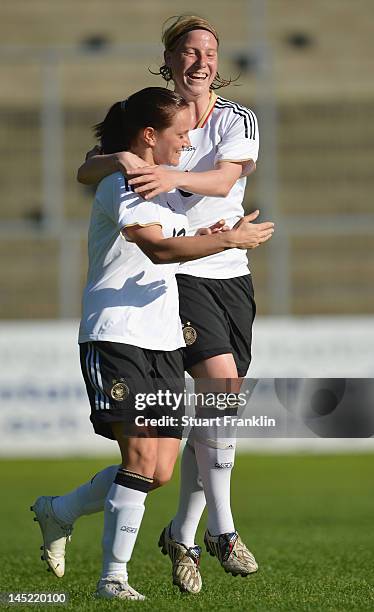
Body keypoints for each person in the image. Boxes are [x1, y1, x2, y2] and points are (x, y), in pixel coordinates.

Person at [31, 86, 274, 601]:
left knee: (159, 469)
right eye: (181, 135)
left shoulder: (161, 191)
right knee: (142, 458)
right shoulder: (122, 183)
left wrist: (211, 229)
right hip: (117, 333)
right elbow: (161, 251)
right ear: (149, 136)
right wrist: (227, 240)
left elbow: (176, 237)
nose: (188, 145)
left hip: (161, 337)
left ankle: (60, 511)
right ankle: (112, 579)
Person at [77, 15, 265, 594]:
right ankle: (221, 530)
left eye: (208, 51)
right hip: (182, 274)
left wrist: (161, 168)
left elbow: (223, 180)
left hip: (229, 272)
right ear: (169, 59)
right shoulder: (148, 115)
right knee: (220, 388)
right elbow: (89, 168)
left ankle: (183, 531)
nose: (199, 60)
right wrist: (127, 160)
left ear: (218, 63)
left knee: (205, 420)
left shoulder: (235, 120)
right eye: (187, 50)